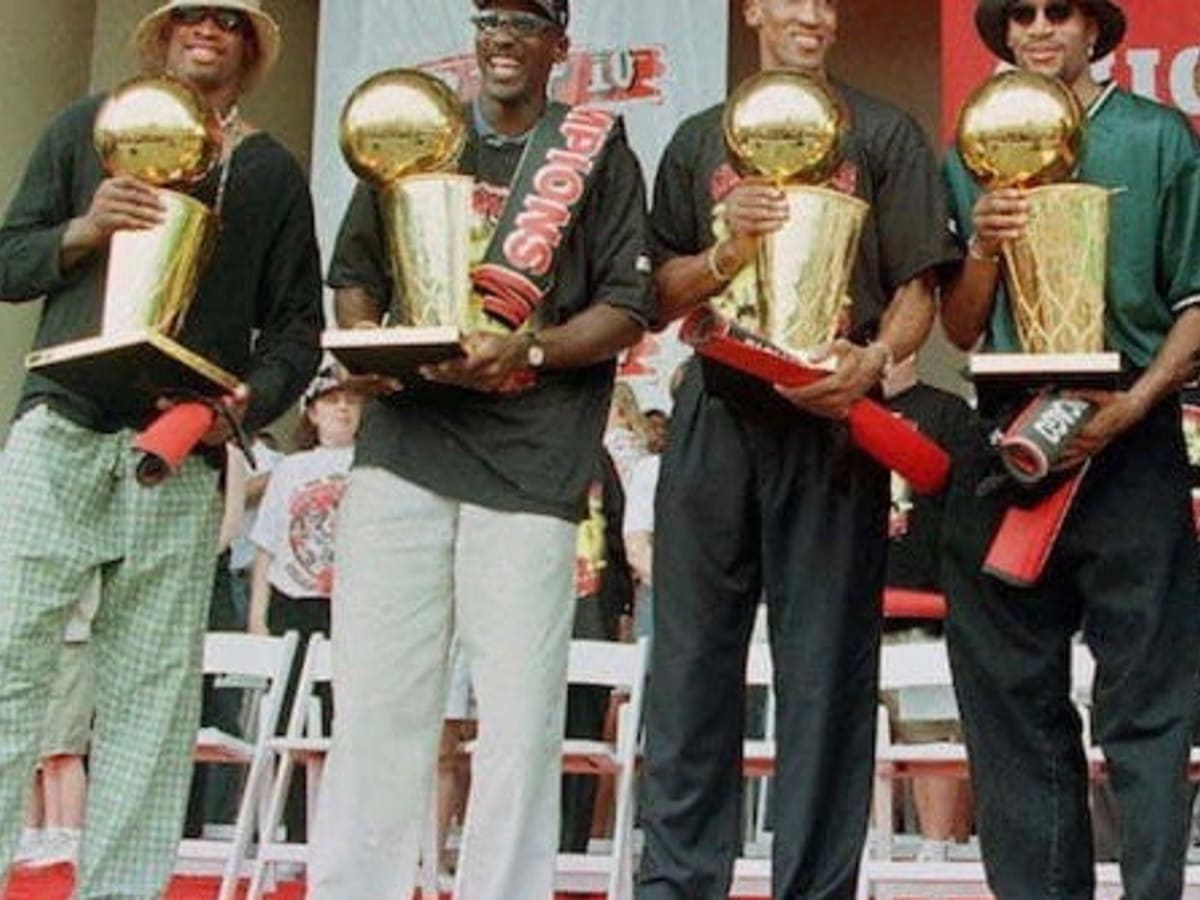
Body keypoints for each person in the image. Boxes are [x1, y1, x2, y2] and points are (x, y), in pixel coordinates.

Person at [307, 0, 654, 896]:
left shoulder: (597, 151)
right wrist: (368, 349)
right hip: (404, 450)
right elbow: (356, 276)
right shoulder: (419, 133)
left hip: (531, 466)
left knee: (518, 724)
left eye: (524, 22)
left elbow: (626, 304)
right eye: (489, 18)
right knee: (378, 709)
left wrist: (530, 347)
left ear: (558, 45)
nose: (501, 37)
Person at [635, 1, 960, 896]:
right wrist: (726, 246)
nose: (811, 14)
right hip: (718, 407)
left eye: (825, 0)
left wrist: (877, 359)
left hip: (829, 417)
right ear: (755, 11)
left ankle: (814, 888)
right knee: (692, 664)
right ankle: (676, 883)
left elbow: (918, 286)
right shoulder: (704, 138)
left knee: (824, 674)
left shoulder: (884, 132)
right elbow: (659, 293)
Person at [0, 1, 323, 894]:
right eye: (192, 15)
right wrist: (84, 228)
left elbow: (299, 324)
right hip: (62, 423)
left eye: (229, 19)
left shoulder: (267, 171)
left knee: (151, 700)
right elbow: (8, 258)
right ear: (163, 31)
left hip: (178, 447)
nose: (208, 30)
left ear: (251, 46)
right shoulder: (89, 127)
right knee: (5, 663)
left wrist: (246, 405)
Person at [939, 2, 1200, 897]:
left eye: (1061, 11)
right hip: (1013, 434)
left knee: (1148, 703)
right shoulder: (976, 140)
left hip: (1130, 428)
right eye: (1024, 16)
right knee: (1012, 701)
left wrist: (1132, 407)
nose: (1040, 29)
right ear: (1006, 36)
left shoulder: (1158, 137)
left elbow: (1196, 303)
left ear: (1096, 30)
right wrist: (982, 248)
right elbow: (962, 324)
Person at [247, 367, 362, 845]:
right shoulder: (291, 470)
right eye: (332, 401)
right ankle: (293, 831)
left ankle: (341, 834)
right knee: (289, 716)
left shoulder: (373, 466)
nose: (343, 409)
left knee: (346, 720)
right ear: (312, 412)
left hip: (352, 607)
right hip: (294, 601)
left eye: (352, 401)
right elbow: (267, 544)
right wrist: (257, 615)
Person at [880, 357, 974, 863]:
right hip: (847, 607)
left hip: (926, 606)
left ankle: (936, 850)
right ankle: (866, 851)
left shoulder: (947, 413)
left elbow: (966, 508)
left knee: (933, 734)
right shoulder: (842, 405)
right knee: (850, 745)